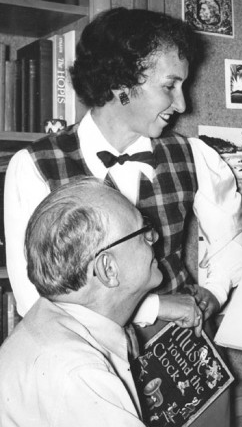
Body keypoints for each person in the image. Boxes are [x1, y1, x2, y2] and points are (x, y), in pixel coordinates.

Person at [4, 8, 242, 426]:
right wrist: (157, 307)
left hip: (185, 359)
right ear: (121, 83)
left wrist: (212, 292)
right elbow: (36, 298)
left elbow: (235, 239)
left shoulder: (194, 155)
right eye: (169, 86)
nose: (183, 103)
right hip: (88, 367)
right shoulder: (33, 166)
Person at [0, 177, 197, 426]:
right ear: (108, 269)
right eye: (142, 232)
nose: (154, 237)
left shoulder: (45, 319)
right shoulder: (83, 374)